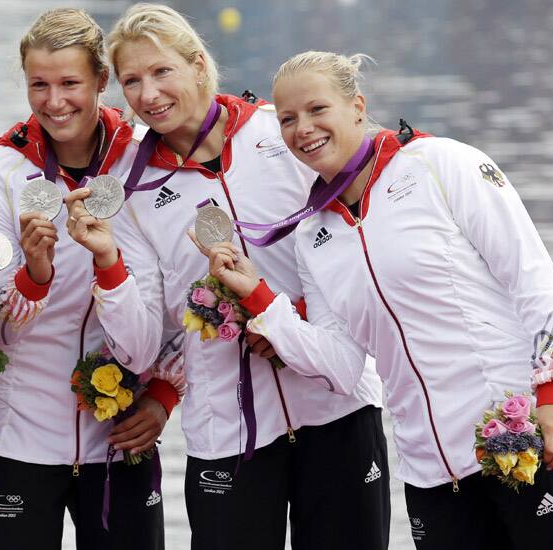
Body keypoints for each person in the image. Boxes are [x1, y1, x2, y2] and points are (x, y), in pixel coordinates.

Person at [204, 50, 553, 549]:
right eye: (287, 118)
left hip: (527, 441)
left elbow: (534, 282)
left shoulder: (443, 164)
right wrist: (262, 298)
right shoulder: (313, 233)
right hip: (431, 475)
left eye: (318, 109)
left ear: (357, 105)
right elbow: (340, 366)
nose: (302, 128)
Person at [106, 5, 389, 549]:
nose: (148, 93)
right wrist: (107, 267)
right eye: (131, 80)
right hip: (226, 430)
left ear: (196, 65)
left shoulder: (280, 132)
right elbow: (142, 340)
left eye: (162, 71)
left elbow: (360, 236)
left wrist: (293, 318)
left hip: (336, 405)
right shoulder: (130, 190)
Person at [0, 8, 181, 550]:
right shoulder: (1, 172)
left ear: (101, 82)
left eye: (70, 83)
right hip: (20, 436)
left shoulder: (142, 163)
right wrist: (33, 280)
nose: (54, 102)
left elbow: (161, 322)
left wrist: (163, 394)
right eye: (40, 84)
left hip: (119, 432)